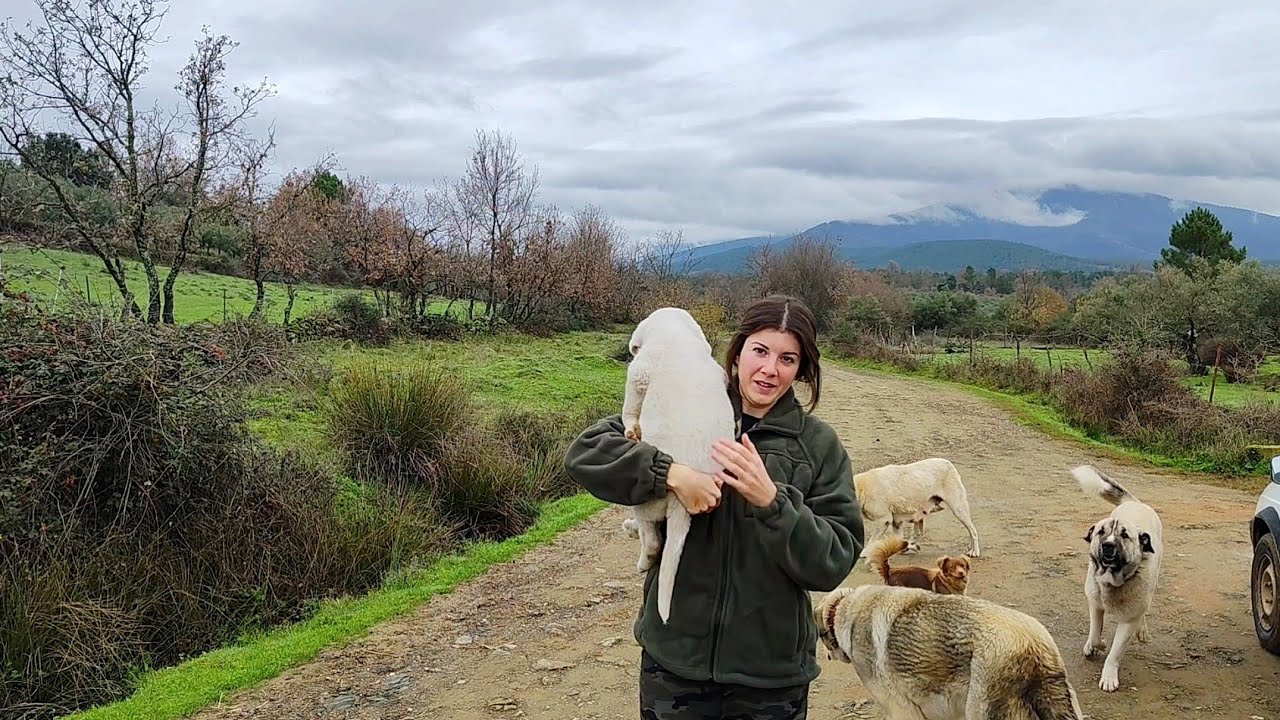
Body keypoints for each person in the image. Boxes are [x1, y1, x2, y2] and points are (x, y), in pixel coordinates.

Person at [563, 294, 865, 720]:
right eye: (759, 351)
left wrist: (773, 502)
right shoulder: (682, 398)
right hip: (674, 663)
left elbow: (834, 560)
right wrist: (671, 474)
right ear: (737, 353)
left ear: (801, 370)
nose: (769, 369)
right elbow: (586, 453)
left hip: (770, 677)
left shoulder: (817, 446)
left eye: (788, 359)